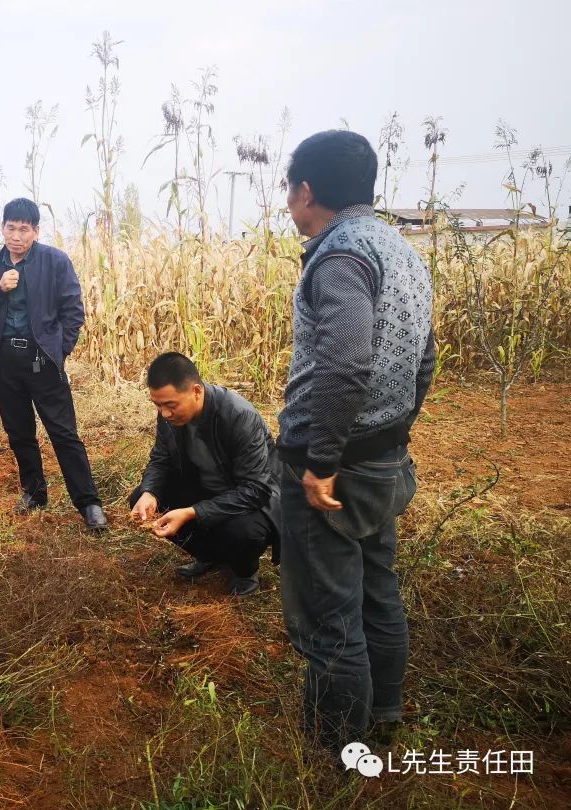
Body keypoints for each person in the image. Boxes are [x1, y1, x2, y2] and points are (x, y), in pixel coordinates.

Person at [277, 130, 435, 751]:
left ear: (307, 190)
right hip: (384, 458)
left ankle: (337, 751)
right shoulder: (401, 251)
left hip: (335, 467)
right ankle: (385, 715)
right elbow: (424, 360)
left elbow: (344, 366)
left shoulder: (340, 255)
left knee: (330, 619)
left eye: (290, 192)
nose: (289, 205)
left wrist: (321, 463)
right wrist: (393, 433)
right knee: (378, 589)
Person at [0, 197, 107, 532]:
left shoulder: (55, 261)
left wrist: (59, 351)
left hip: (42, 361)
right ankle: (34, 492)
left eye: (24, 229)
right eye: (11, 228)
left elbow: (73, 311)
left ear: (36, 231)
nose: (17, 235)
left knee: (63, 433)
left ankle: (89, 504)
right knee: (20, 433)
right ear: (2, 228)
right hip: (5, 363)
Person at [129, 353, 279, 596]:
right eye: (158, 405)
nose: (165, 413)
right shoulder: (168, 415)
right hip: (204, 486)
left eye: (171, 405)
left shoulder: (239, 416)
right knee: (143, 500)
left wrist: (193, 511)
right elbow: (161, 458)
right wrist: (150, 492)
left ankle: (244, 572)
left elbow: (256, 489)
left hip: (252, 498)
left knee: (245, 532)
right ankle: (211, 557)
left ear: (196, 391)